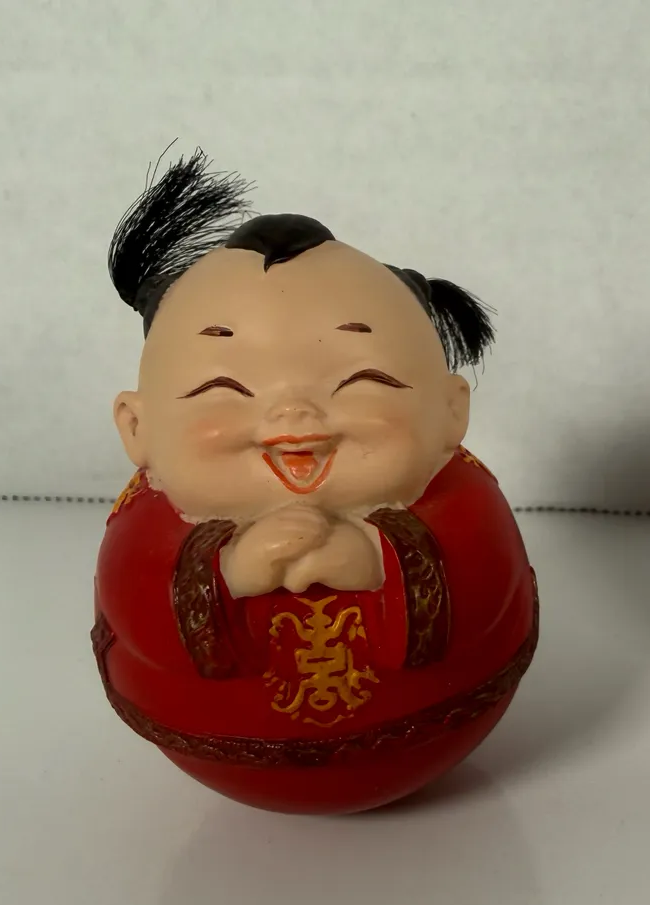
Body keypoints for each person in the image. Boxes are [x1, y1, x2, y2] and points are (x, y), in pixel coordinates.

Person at [93, 150, 537, 812]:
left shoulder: (460, 495)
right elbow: (134, 599)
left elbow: (488, 576)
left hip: (428, 726)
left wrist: (379, 558)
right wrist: (225, 573)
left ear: (451, 412)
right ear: (138, 427)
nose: (293, 417)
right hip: (212, 732)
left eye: (362, 381)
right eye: (224, 388)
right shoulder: (149, 516)